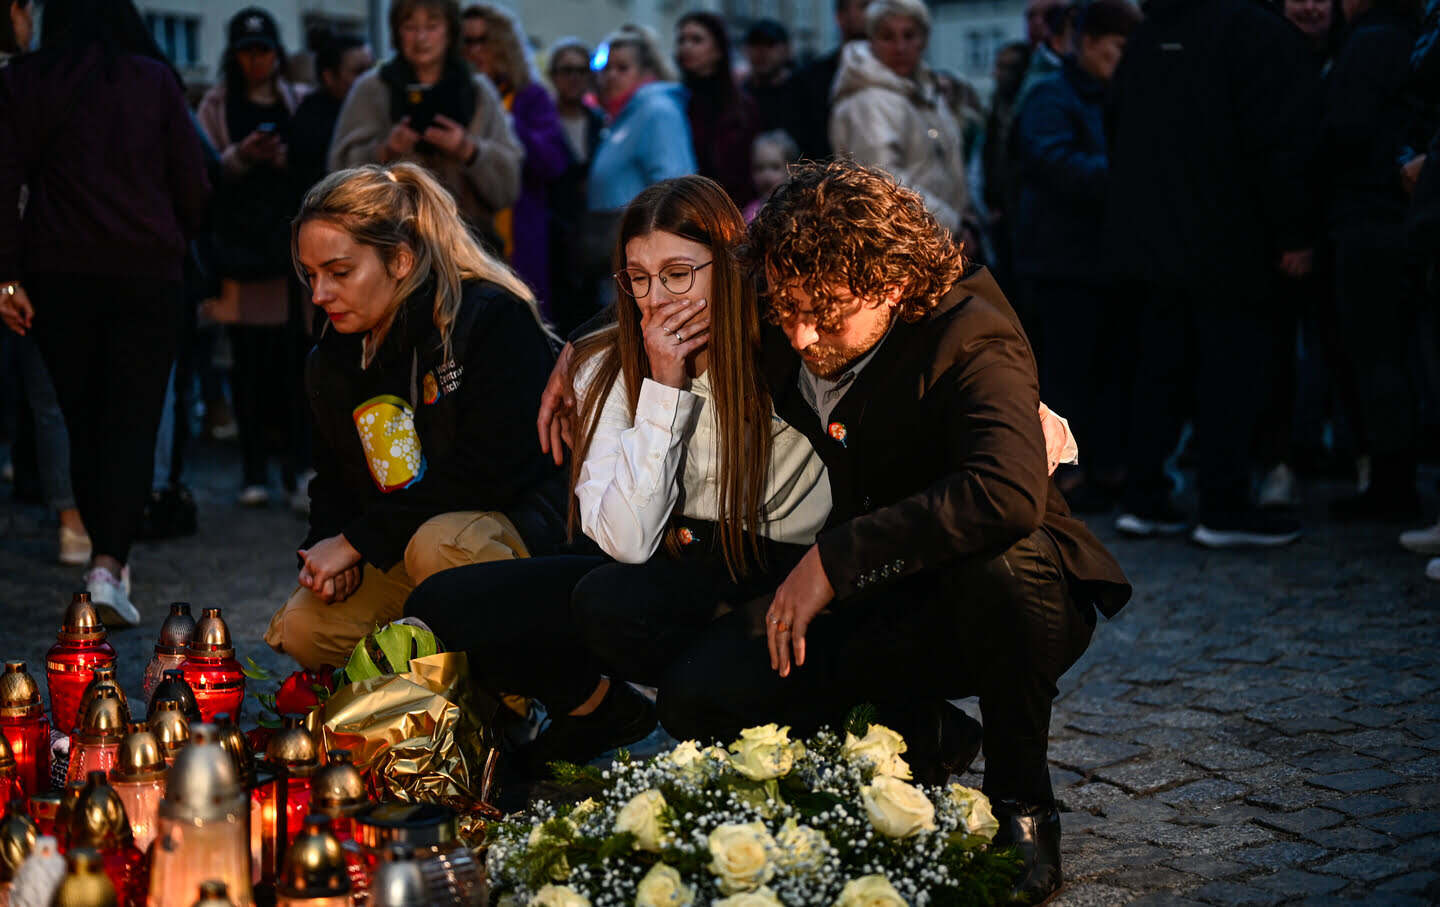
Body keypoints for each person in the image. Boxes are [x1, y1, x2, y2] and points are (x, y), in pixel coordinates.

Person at [650, 160, 1129, 904]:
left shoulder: (972, 333)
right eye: (786, 308)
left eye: (829, 312)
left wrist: (836, 559)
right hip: (876, 602)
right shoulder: (787, 297)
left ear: (895, 283)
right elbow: (682, 300)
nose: (803, 334)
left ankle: (1023, 806)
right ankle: (926, 733)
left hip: (991, 598)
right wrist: (576, 358)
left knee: (1007, 563)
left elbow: (1004, 490)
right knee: (695, 694)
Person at [265, 163, 566, 672]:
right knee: (303, 628)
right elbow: (333, 479)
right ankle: (430, 698)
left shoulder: (489, 318)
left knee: (438, 546)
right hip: (400, 545)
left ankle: (533, 694)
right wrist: (326, 548)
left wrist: (357, 542)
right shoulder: (333, 354)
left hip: (514, 542)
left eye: (339, 273)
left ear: (400, 261)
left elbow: (488, 473)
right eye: (310, 275)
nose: (319, 295)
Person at [0, 0, 210, 625]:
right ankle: (109, 564)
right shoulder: (154, 79)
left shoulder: (25, 80)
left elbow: (4, 178)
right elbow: (193, 182)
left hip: (57, 272)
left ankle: (103, 553)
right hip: (147, 272)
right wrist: (177, 234)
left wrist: (7, 278)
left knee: (81, 417)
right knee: (134, 417)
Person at [1106, 0, 1315, 546]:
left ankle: (1146, 497)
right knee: (1231, 372)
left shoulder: (1152, 34)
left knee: (1162, 370)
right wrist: (1293, 232)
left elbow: (1118, 129)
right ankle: (1222, 504)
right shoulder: (1253, 32)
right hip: (1231, 240)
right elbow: (1282, 142)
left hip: (1154, 243)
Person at [1012, 0, 1141, 511]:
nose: (1121, 62)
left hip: (1098, 259)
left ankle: (1105, 467)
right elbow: (1053, 163)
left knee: (1108, 368)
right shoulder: (1051, 96)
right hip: (1060, 261)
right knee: (1066, 375)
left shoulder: (1106, 95)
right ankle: (1065, 478)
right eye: (1115, 51)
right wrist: (1128, 177)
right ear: (1088, 44)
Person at [198, 8, 309, 509]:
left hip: (293, 254)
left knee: (295, 362)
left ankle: (295, 466)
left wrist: (287, 158)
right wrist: (243, 155)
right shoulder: (217, 105)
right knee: (246, 365)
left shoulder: (297, 101)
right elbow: (202, 170)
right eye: (247, 51)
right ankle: (253, 470)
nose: (256, 60)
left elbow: (313, 163)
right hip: (242, 252)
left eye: (264, 50)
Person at [1320, 0, 1425, 521]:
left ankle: (1391, 483)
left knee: (1375, 356)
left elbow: (1344, 129)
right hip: (1396, 216)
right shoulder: (1411, 37)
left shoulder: (1368, 44)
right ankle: (1395, 478)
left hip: (1368, 217)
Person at [329, 0, 521, 251]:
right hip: (391, 246)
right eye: (410, 27)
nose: (421, 38)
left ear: (450, 30)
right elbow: (337, 177)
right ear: (397, 31)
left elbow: (508, 187)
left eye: (432, 26)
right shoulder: (372, 88)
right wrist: (384, 152)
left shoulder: (477, 89)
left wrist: (468, 150)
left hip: (468, 246)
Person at [461, 4, 569, 316]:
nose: (475, 51)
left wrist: (504, 120)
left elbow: (552, 161)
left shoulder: (529, 97)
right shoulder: (454, 97)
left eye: (484, 40)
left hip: (518, 239)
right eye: (466, 42)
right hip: (463, 237)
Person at [829, 0, 970, 233]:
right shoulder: (868, 100)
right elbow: (884, 180)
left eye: (909, 35)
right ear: (872, 41)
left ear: (924, 40)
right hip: (903, 240)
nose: (900, 47)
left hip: (933, 237)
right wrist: (951, 225)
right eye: (887, 36)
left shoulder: (924, 89)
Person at [584, 25, 695, 298]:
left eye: (622, 68)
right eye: (606, 68)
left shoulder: (657, 112)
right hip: (623, 260)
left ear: (648, 71)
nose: (610, 76)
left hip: (646, 265)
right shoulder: (623, 116)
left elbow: (674, 188)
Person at [546, 38, 605, 336]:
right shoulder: (544, 122)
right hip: (554, 236)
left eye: (581, 70)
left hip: (592, 238)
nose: (574, 78)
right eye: (567, 70)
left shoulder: (601, 122)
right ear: (554, 75)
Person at [674, 12, 759, 208]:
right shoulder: (676, 102)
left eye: (696, 39)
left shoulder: (743, 107)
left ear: (718, 49)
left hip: (733, 210)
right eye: (682, 40)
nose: (686, 47)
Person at [290, 31, 373, 195]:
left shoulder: (374, 104)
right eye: (359, 72)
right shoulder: (310, 122)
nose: (368, 79)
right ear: (329, 77)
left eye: (371, 70)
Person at [793, 0, 870, 160]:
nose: (875, 13)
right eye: (865, 6)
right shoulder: (809, 80)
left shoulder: (900, 76)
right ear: (841, 16)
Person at [740, 19, 798, 135]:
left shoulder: (801, 94)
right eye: (755, 44)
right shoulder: (740, 97)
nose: (761, 51)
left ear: (786, 50)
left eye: (770, 44)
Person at [742, 129, 798, 223]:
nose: (766, 176)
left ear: (792, 169)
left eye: (775, 167)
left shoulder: (798, 210)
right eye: (759, 168)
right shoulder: (749, 214)